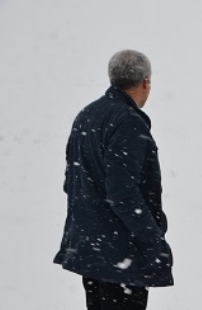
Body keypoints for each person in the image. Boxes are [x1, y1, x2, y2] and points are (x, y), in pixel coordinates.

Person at [54, 50, 173, 310]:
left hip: (92, 249)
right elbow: (123, 193)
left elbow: (71, 182)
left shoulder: (87, 116)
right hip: (121, 255)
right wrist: (153, 241)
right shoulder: (128, 122)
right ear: (145, 82)